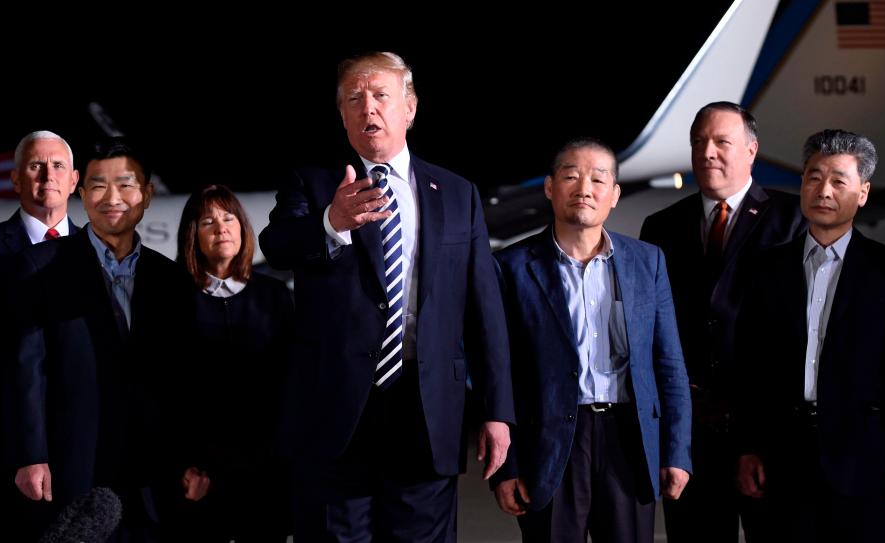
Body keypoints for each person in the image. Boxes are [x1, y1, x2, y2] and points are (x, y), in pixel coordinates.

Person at [259, 51, 515, 542]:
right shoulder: (313, 182)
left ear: (410, 108)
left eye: (380, 96)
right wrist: (331, 223)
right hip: (337, 413)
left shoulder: (457, 193)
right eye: (353, 99)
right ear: (341, 115)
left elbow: (485, 309)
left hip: (426, 406)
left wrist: (496, 408)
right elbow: (277, 245)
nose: (367, 108)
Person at [491, 137, 692, 543]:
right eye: (570, 176)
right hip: (549, 441)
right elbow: (498, 372)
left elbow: (669, 363)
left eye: (598, 180)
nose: (584, 188)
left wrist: (676, 451)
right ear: (550, 188)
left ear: (614, 195)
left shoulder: (647, 261)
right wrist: (507, 466)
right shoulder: (510, 267)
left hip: (628, 438)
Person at [3, 138, 199, 542]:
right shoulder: (40, 267)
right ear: (81, 193)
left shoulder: (172, 279)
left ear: (145, 195)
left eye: (125, 185)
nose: (113, 198)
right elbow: (27, 370)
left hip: (154, 470)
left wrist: (194, 459)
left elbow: (185, 376)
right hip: (74, 462)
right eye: (97, 185)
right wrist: (31, 456)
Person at [734, 129, 885, 542]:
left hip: (864, 459)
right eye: (814, 177)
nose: (824, 190)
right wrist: (747, 447)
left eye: (839, 180)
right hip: (780, 457)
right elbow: (749, 366)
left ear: (864, 192)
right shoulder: (766, 270)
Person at [639, 102, 804, 542]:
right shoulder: (661, 227)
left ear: (751, 150)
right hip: (692, 434)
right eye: (698, 142)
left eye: (721, 142)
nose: (707, 152)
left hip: (765, 431)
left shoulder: (793, 219)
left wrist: (767, 438)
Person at [172, 184, 294, 542]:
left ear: (242, 227)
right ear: (193, 236)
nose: (221, 228)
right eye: (208, 221)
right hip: (201, 472)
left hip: (267, 469)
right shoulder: (172, 301)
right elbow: (164, 388)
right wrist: (183, 465)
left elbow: (292, 383)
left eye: (229, 218)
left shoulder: (274, 297)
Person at [0, 131, 79, 540]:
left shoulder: (102, 254)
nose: (48, 175)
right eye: (36, 166)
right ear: (17, 180)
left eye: (58, 165)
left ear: (74, 180)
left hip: (86, 450)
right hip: (2, 454)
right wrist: (27, 451)